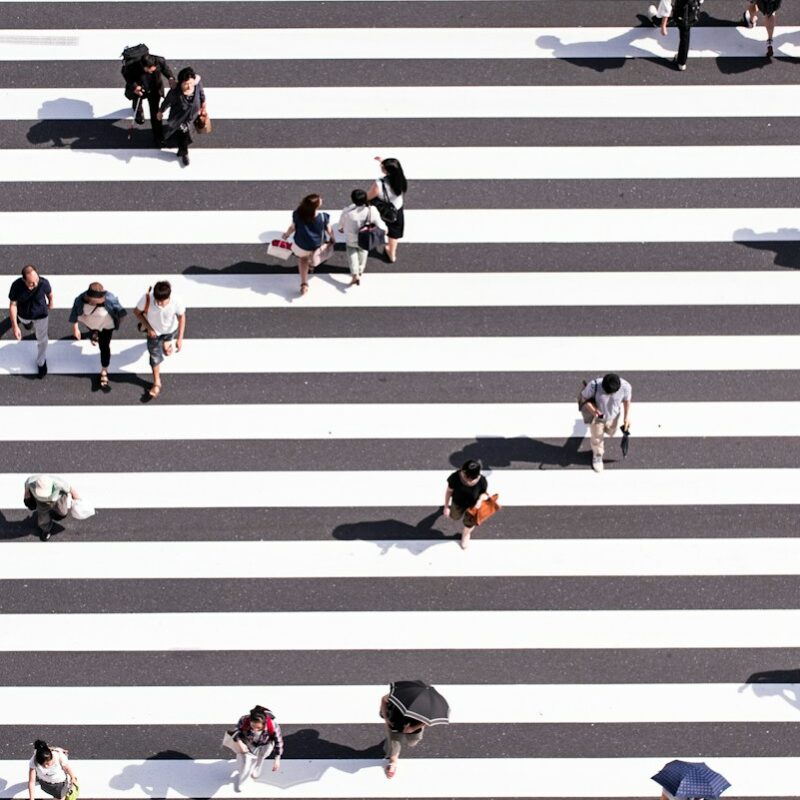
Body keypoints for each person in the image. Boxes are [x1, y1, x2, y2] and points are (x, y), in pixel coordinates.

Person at [69, 282, 127, 391]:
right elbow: (74, 312)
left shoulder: (110, 299)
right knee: (93, 329)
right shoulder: (80, 299)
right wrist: (75, 328)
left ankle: (104, 369)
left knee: (104, 346)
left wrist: (117, 322)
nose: (93, 303)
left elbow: (121, 312)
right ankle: (95, 333)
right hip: (91, 323)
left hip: (106, 326)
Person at [133, 280, 186, 400]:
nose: (160, 304)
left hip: (171, 330)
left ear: (169, 296)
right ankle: (157, 382)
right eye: (157, 301)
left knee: (167, 347)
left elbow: (182, 317)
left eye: (163, 302)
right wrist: (149, 328)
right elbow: (137, 312)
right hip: (154, 333)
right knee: (154, 356)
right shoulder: (148, 298)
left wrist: (180, 338)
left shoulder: (176, 301)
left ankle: (167, 344)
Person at [578, 373, 632, 473]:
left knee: (611, 432)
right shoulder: (594, 385)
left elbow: (627, 401)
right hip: (598, 416)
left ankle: (604, 431)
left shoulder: (626, 387)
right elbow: (583, 398)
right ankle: (597, 455)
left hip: (613, 415)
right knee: (597, 437)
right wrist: (594, 411)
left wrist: (626, 417)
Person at [282, 194, 334, 296]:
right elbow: (329, 230)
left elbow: (292, 227)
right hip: (317, 244)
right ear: (316, 206)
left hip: (301, 244)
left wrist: (287, 234)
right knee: (314, 256)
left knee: (303, 259)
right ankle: (312, 264)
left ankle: (304, 283)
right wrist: (332, 238)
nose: (321, 199)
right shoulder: (323, 217)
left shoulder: (297, 214)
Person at [8, 264, 52, 378]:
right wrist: (15, 326)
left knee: (43, 339)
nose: (35, 284)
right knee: (27, 325)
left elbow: (49, 293)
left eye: (36, 280)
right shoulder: (17, 286)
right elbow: (13, 305)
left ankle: (41, 362)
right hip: (24, 315)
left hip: (41, 315)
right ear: (24, 280)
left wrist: (51, 302)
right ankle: (25, 324)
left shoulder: (43, 283)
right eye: (31, 283)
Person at [157, 66, 206, 166]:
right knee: (183, 133)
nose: (189, 86)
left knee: (185, 132)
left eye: (191, 83)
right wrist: (160, 111)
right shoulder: (175, 93)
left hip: (192, 116)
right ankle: (184, 153)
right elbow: (166, 102)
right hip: (179, 118)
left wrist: (203, 103)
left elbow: (201, 93)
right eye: (186, 84)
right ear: (180, 83)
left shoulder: (196, 85)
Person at [123, 51, 176, 143]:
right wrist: (135, 86)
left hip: (154, 89)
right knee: (137, 101)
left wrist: (170, 77)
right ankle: (138, 110)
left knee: (155, 111)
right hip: (140, 87)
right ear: (143, 66)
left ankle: (158, 136)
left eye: (154, 68)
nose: (153, 70)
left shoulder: (159, 60)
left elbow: (165, 69)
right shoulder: (132, 65)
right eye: (150, 69)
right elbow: (127, 76)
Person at [337, 189, 387, 286]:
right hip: (365, 237)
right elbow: (380, 224)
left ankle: (355, 273)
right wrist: (385, 230)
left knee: (351, 252)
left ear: (353, 200)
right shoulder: (371, 210)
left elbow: (340, 226)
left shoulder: (347, 211)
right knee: (363, 251)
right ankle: (360, 269)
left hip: (351, 237)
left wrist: (341, 229)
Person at [227, 705, 284, 790]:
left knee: (261, 757)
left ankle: (258, 765)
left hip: (265, 744)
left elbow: (278, 741)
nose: (255, 730)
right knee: (245, 760)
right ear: (250, 720)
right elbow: (236, 732)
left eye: (258, 727)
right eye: (252, 726)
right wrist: (240, 743)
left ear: (264, 723)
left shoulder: (272, 725)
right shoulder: (244, 720)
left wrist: (277, 759)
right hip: (249, 742)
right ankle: (242, 780)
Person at [367, 157, 407, 263]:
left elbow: (369, 197)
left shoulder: (379, 183)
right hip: (396, 208)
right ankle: (391, 253)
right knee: (394, 232)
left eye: (382, 167)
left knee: (374, 223)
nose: (381, 167)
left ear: (387, 171)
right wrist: (383, 161)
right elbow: (393, 169)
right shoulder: (401, 179)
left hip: (381, 209)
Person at [379, 691, 428, 779]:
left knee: (412, 743)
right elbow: (384, 699)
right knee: (394, 744)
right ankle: (393, 763)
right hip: (395, 725)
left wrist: (413, 728)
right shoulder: (398, 695)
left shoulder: (425, 705)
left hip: (414, 728)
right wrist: (386, 718)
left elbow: (427, 721)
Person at [443, 459, 489, 550]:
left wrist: (480, 500)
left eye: (466, 475)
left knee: (469, 523)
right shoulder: (455, 477)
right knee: (454, 516)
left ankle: (466, 534)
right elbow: (448, 491)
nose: (464, 477)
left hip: (473, 506)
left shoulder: (482, 481)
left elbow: (484, 493)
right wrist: (446, 506)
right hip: (457, 503)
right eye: (463, 473)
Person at [23, 474, 80, 541]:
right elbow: (26, 485)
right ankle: (46, 529)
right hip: (41, 502)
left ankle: (53, 514)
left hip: (58, 498)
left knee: (63, 513)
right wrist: (26, 493)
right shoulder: (31, 481)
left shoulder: (59, 483)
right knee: (43, 518)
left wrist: (77, 501)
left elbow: (71, 489)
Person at [659, 0, 703, 70]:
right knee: (685, 36)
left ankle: (657, 19)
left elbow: (666, 5)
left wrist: (663, 25)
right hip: (692, 13)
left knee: (683, 34)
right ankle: (682, 62)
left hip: (680, 14)